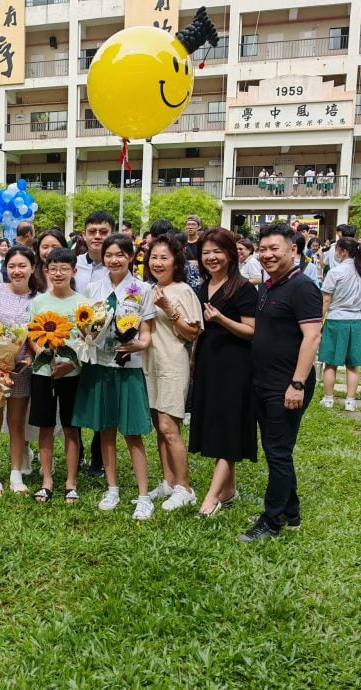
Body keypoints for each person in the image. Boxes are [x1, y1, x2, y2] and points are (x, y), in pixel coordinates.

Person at [241, 223, 322, 542]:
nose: (267, 254)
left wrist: (298, 384)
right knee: (275, 449)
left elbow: (312, 336)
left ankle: (271, 522)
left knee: (278, 451)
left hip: (288, 384)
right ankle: (291, 512)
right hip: (264, 380)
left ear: (293, 250)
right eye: (262, 249)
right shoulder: (269, 284)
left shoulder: (302, 287)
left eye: (274, 248)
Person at [72, 234, 155, 517]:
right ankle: (112, 488)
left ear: (131, 257)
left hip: (128, 368)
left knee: (132, 432)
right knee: (105, 430)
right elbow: (84, 325)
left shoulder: (142, 289)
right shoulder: (94, 288)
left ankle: (144, 496)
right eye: (109, 255)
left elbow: (147, 336)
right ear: (102, 257)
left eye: (120, 254)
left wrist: (138, 345)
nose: (114, 260)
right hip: (100, 365)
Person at [188, 228, 258, 516]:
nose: (211, 258)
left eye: (217, 252)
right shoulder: (204, 287)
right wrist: (194, 358)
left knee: (229, 426)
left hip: (235, 366)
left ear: (231, 254)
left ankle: (213, 497)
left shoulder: (242, 288)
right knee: (216, 422)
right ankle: (229, 490)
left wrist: (221, 318)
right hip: (208, 362)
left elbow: (251, 331)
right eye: (206, 253)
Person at [142, 235, 203, 511]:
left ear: (176, 261)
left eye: (164, 257)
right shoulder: (147, 289)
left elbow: (191, 333)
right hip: (149, 363)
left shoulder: (183, 291)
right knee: (159, 426)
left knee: (170, 427)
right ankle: (167, 481)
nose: (157, 262)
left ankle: (184, 487)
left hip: (172, 364)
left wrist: (169, 309)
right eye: (153, 257)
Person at [0, 245, 36, 497]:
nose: (17, 271)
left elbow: (37, 335)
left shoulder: (38, 298)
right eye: (12, 266)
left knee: (16, 424)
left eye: (22, 266)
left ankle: (15, 474)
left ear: (33, 268)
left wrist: (29, 359)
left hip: (18, 372)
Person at [27, 248, 83, 504]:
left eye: (64, 268)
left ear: (74, 271)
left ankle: (71, 481)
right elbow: (31, 334)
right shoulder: (38, 302)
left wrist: (70, 365)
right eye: (53, 268)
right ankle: (47, 480)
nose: (58, 273)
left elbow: (86, 341)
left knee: (72, 428)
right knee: (45, 426)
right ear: (46, 271)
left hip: (73, 373)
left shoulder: (83, 303)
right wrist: (44, 356)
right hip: (43, 373)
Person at [74, 211, 112, 478]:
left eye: (103, 231)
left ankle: (99, 457)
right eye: (93, 231)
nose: (97, 236)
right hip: (75, 343)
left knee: (102, 399)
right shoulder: (73, 264)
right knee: (73, 399)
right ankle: (77, 455)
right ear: (84, 235)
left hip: (106, 346)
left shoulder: (118, 263)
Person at [319, 238, 361, 411]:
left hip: (336, 319)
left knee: (330, 362)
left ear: (343, 251)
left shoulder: (335, 272)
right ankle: (350, 401)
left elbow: (326, 298)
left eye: (336, 250)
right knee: (353, 364)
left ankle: (328, 398)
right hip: (355, 320)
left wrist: (319, 320)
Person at [32, 229, 69, 293]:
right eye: (45, 247)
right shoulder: (30, 275)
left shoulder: (73, 273)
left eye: (55, 247)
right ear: (38, 250)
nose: (50, 252)